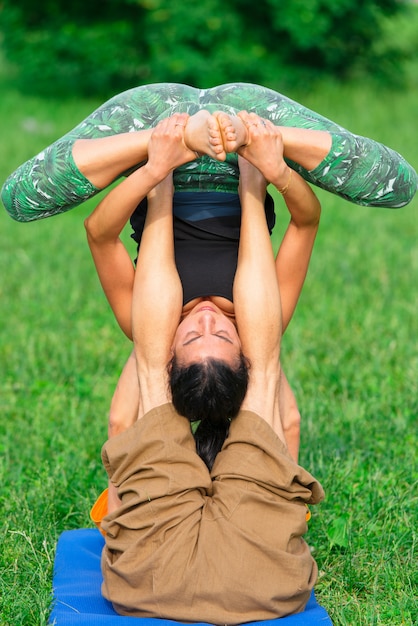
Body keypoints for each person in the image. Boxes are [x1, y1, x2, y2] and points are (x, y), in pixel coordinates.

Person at [99, 114, 325, 622]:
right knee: (262, 369)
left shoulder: (156, 342)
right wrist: (261, 180)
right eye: (218, 334)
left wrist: (117, 515)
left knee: (154, 367)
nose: (205, 320)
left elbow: (121, 421)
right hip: (220, 586)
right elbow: (283, 417)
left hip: (163, 585)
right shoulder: (252, 341)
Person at [2, 83, 416, 223]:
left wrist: (165, 141)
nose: (207, 328)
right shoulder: (258, 321)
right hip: (251, 122)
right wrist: (258, 135)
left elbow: (21, 199)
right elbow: (397, 185)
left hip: (154, 120)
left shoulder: (148, 325)